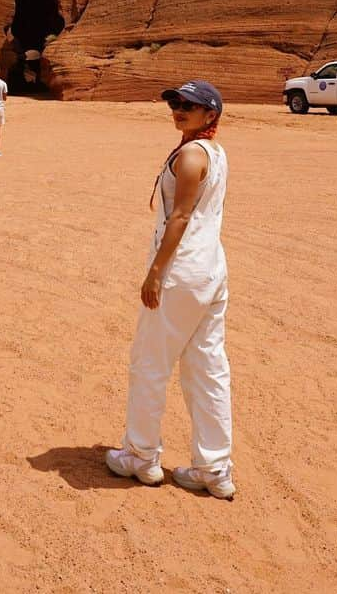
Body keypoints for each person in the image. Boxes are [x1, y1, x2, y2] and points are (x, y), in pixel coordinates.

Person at [106, 79, 234, 500]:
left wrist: (157, 272)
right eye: (177, 103)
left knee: (150, 361)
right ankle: (213, 469)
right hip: (210, 269)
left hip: (181, 272)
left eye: (190, 105)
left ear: (210, 114)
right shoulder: (216, 152)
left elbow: (179, 217)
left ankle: (141, 457)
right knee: (207, 367)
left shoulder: (193, 154)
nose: (179, 109)